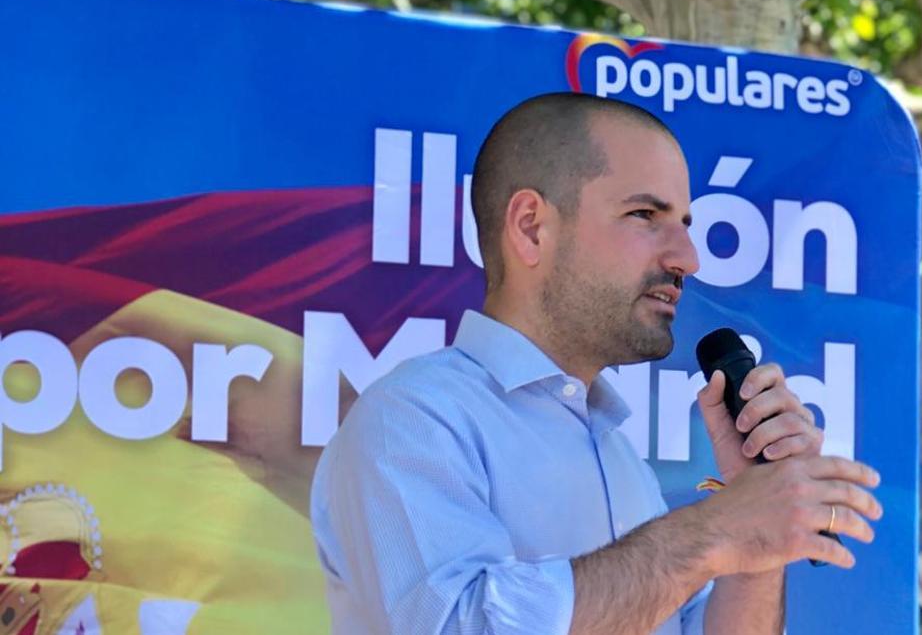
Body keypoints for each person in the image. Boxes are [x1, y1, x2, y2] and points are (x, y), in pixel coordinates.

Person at [309, 92, 884, 634]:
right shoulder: (413, 419)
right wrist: (716, 529)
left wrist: (756, 540)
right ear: (532, 227)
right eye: (644, 215)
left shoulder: (618, 457)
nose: (687, 257)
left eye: (684, 225)